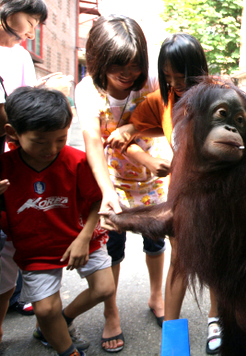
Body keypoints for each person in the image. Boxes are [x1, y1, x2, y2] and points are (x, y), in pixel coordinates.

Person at [106, 33, 220, 355]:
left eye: (180, 76)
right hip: (180, 197)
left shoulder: (218, 96)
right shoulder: (166, 98)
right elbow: (136, 124)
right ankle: (171, 331)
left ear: (196, 68)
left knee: (214, 259)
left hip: (215, 195)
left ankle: (216, 321)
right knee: (180, 261)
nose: (173, 83)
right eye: (167, 76)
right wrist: (128, 130)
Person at [75, 15, 171, 353]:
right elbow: (93, 146)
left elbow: (166, 123)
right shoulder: (87, 91)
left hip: (151, 180)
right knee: (113, 246)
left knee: (155, 240)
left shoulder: (151, 82)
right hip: (112, 178)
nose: (129, 76)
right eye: (120, 68)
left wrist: (134, 135)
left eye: (135, 67)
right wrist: (107, 194)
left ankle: (156, 295)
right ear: (99, 59)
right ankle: (111, 311)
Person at [0, 86, 117, 356]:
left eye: (60, 139)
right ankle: (68, 350)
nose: (50, 149)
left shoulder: (76, 161)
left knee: (104, 288)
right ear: (12, 133)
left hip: (81, 236)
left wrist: (84, 237)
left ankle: (59, 322)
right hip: (35, 248)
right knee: (44, 308)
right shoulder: (4, 167)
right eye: (39, 142)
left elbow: (97, 200)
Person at [0, 0, 48, 343]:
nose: (32, 30)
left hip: (9, 157)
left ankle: (11, 306)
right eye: (30, 19)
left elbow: (24, 106)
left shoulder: (19, 57)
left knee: (10, 238)